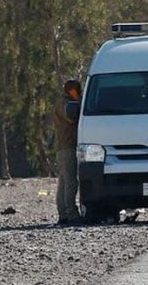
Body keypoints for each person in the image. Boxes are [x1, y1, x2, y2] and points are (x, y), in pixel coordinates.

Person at [55, 79, 82, 225]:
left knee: (64, 183)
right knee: (71, 182)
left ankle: (63, 214)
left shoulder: (64, 101)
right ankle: (71, 214)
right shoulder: (65, 103)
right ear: (72, 91)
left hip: (64, 147)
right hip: (67, 147)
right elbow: (71, 114)